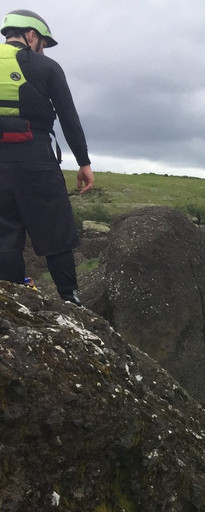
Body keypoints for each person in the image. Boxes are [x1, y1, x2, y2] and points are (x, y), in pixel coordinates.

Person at [0, 9, 93, 305]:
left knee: (5, 233)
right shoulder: (47, 67)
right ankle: (71, 300)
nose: (43, 48)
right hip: (36, 157)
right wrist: (83, 162)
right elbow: (68, 117)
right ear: (31, 35)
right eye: (43, 42)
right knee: (56, 230)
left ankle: (11, 302)